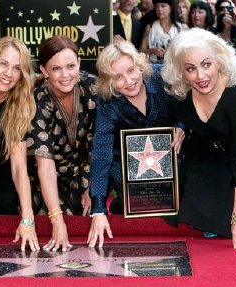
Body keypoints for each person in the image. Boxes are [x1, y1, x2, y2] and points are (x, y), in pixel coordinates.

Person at [161, 28, 236, 249]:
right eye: (190, 69)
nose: (200, 76)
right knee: (188, 197)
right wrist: (181, 126)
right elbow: (180, 114)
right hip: (209, 155)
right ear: (181, 72)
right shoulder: (180, 95)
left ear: (220, 62)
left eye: (207, 65)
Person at [87, 40, 185, 248]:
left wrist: (182, 125)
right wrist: (98, 209)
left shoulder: (162, 78)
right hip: (126, 170)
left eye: (131, 71)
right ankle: (121, 201)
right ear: (109, 82)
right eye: (118, 77)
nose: (128, 80)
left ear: (140, 66)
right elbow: (102, 153)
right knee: (137, 215)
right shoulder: (106, 101)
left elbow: (190, 105)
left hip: (173, 165)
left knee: (182, 211)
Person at [27, 35, 98, 252]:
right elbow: (44, 165)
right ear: (43, 70)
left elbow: (102, 145)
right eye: (56, 68)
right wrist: (56, 219)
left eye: (71, 66)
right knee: (47, 244)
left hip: (87, 175)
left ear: (79, 62)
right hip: (45, 181)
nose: (65, 75)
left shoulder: (94, 88)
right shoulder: (34, 99)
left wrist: (94, 189)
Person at [0, 36, 38, 252]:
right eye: (3, 63)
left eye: (16, 68)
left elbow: (19, 167)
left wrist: (28, 218)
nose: (8, 74)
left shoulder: (20, 105)